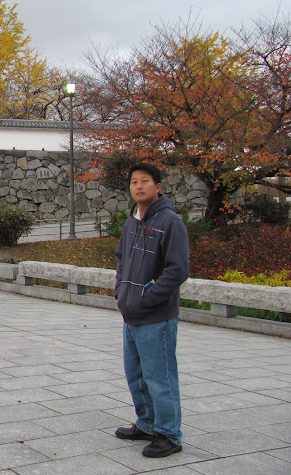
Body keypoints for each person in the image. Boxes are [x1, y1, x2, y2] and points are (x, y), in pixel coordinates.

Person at [114, 163, 189, 458]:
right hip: (131, 313)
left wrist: (148, 297)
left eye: (145, 181)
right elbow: (121, 259)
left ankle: (169, 434)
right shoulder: (131, 221)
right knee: (136, 375)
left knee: (160, 377)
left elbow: (177, 270)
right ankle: (147, 423)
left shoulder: (170, 222)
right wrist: (122, 291)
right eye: (134, 182)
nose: (139, 186)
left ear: (158, 187)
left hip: (156, 316)